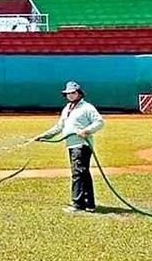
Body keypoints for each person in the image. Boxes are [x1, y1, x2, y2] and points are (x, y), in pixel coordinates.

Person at [35, 81, 105, 213]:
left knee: (78, 174)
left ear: (79, 93)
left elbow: (100, 122)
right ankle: (88, 204)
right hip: (71, 145)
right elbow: (59, 126)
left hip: (82, 145)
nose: (70, 95)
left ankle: (77, 203)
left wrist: (86, 131)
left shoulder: (87, 107)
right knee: (82, 173)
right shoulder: (67, 108)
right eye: (68, 93)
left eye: (73, 93)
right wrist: (45, 136)